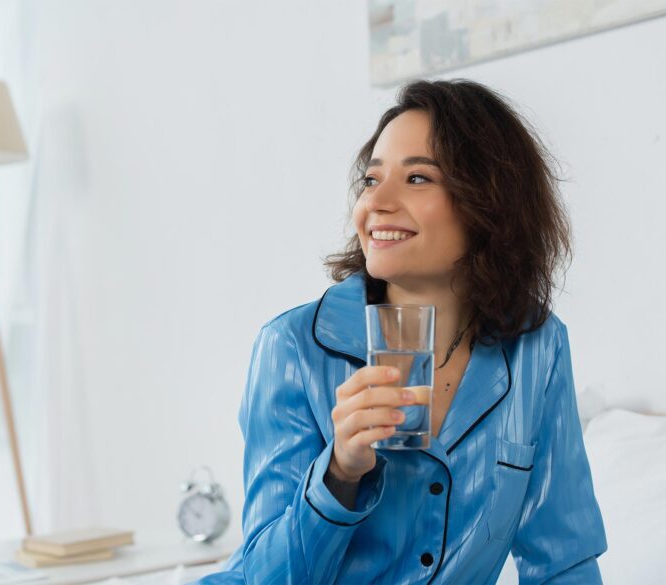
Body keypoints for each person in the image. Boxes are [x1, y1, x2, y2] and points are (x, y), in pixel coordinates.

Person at [192, 79, 607, 584]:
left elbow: (562, 560)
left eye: (417, 179)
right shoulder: (293, 347)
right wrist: (339, 473)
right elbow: (265, 577)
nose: (377, 203)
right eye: (371, 180)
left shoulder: (536, 346)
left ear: (487, 204)